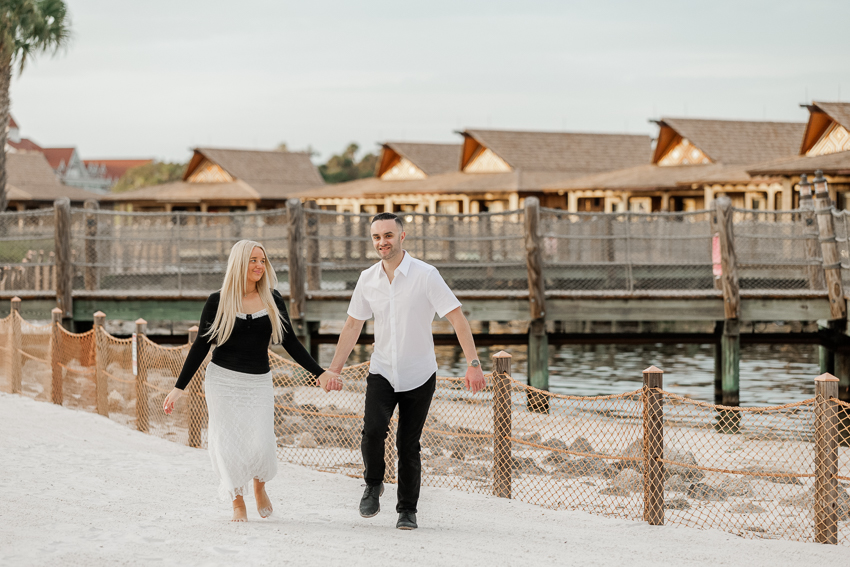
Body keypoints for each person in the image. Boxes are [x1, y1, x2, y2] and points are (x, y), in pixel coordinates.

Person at [326, 212, 486, 530]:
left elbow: (457, 318)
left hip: (419, 374)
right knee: (372, 431)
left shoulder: (426, 275)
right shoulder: (367, 278)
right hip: (382, 370)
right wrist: (334, 369)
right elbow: (352, 324)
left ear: (402, 236)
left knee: (408, 444)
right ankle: (373, 484)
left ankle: (407, 510)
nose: (382, 242)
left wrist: (473, 364)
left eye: (388, 235)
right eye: (376, 237)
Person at [162, 239, 341, 522]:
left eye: (263, 260)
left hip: (258, 381)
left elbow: (291, 342)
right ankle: (237, 501)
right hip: (222, 380)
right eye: (253, 260)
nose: (259, 266)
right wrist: (178, 388)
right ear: (239, 263)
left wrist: (319, 373)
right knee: (227, 442)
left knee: (262, 441)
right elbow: (201, 346)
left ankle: (260, 486)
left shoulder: (273, 299)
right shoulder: (217, 301)